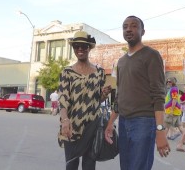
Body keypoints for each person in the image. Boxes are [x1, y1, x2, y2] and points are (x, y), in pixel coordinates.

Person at [104, 15, 170, 170]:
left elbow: (158, 95)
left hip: (144, 122)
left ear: (143, 31)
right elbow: (121, 95)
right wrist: (110, 123)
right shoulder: (121, 61)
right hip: (124, 122)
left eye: (134, 26)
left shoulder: (151, 55)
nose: (128, 29)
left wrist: (160, 130)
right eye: (125, 26)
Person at [57, 31, 112, 170]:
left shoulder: (99, 72)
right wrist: (65, 120)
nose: (79, 49)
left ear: (89, 47)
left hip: (92, 126)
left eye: (83, 46)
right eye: (76, 46)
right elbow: (63, 98)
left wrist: (103, 95)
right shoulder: (67, 72)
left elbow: (97, 100)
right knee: (71, 165)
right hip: (71, 126)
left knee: (89, 165)